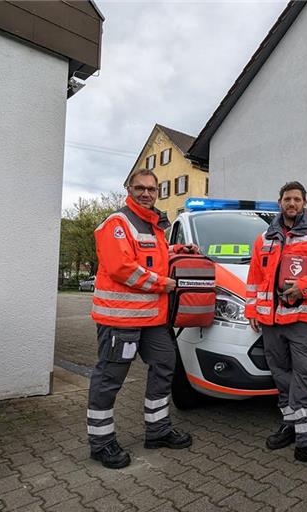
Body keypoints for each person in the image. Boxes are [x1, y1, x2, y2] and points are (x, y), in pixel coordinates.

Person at [86, 168, 198, 469]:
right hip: (119, 321)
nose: (146, 193)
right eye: (140, 188)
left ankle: (158, 430)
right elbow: (122, 267)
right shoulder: (118, 223)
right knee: (110, 379)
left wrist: (178, 249)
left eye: (151, 189)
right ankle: (100, 442)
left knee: (165, 364)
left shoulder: (154, 227)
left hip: (152, 320)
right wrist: (165, 284)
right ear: (129, 189)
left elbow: (153, 258)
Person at [245, 181, 307, 473]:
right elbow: (255, 276)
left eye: (297, 199)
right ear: (280, 202)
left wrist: (303, 287)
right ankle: (291, 424)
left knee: (305, 375)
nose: (292, 203)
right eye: (287, 199)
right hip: (271, 320)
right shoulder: (265, 238)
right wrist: (252, 308)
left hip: (303, 319)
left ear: (304, 202)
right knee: (281, 373)